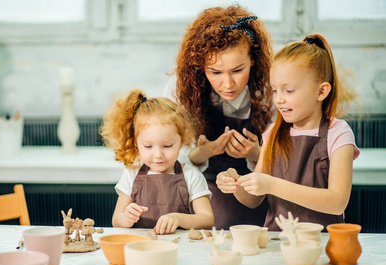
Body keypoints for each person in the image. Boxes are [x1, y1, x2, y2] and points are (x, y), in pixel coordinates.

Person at [216, 33, 360, 231]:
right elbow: (253, 200)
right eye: (275, 90)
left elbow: (337, 202)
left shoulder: (338, 133)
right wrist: (235, 182)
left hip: (322, 242)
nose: (278, 100)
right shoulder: (272, 133)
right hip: (278, 241)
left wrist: (271, 185)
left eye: (288, 91)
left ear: (321, 92)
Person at [163, 5, 274, 229]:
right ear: (200, 66)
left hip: (260, 196)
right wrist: (198, 154)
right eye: (215, 72)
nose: (228, 84)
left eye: (237, 70)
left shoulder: (272, 89)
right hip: (202, 197)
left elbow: (292, 158)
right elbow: (162, 154)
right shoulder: (180, 88)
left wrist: (258, 154)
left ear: (253, 59)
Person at [100, 89, 214, 235]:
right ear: (136, 144)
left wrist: (178, 218)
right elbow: (116, 219)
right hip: (140, 247)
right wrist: (127, 217)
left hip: (179, 249)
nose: (158, 155)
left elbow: (207, 219)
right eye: (148, 146)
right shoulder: (132, 174)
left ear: (182, 141)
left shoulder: (191, 176)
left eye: (167, 146)